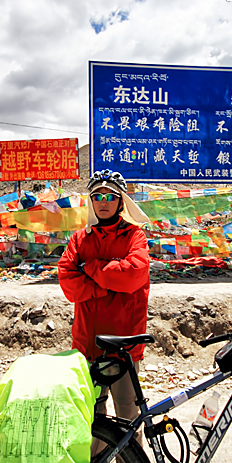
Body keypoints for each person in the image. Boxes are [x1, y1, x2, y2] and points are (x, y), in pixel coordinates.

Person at [57, 169, 150, 433]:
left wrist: (91, 268)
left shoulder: (135, 236)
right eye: (98, 196)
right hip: (88, 343)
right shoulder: (79, 239)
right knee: (90, 416)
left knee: (127, 414)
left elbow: (133, 274)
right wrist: (107, 285)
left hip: (124, 344)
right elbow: (68, 282)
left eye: (110, 196)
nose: (104, 202)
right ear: (91, 201)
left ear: (121, 201)